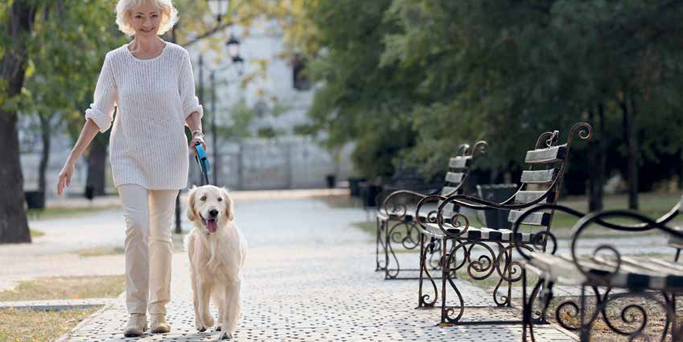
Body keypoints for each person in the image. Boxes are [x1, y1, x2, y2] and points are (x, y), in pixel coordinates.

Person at [56, 0, 206, 337]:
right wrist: (71, 160)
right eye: (139, 16)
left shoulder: (178, 58)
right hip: (128, 156)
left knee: (161, 236)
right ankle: (136, 312)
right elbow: (98, 115)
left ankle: (159, 310)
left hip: (169, 154)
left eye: (154, 15)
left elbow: (189, 105)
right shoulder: (116, 61)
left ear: (164, 17)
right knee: (137, 228)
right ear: (128, 19)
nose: (147, 22)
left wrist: (197, 134)